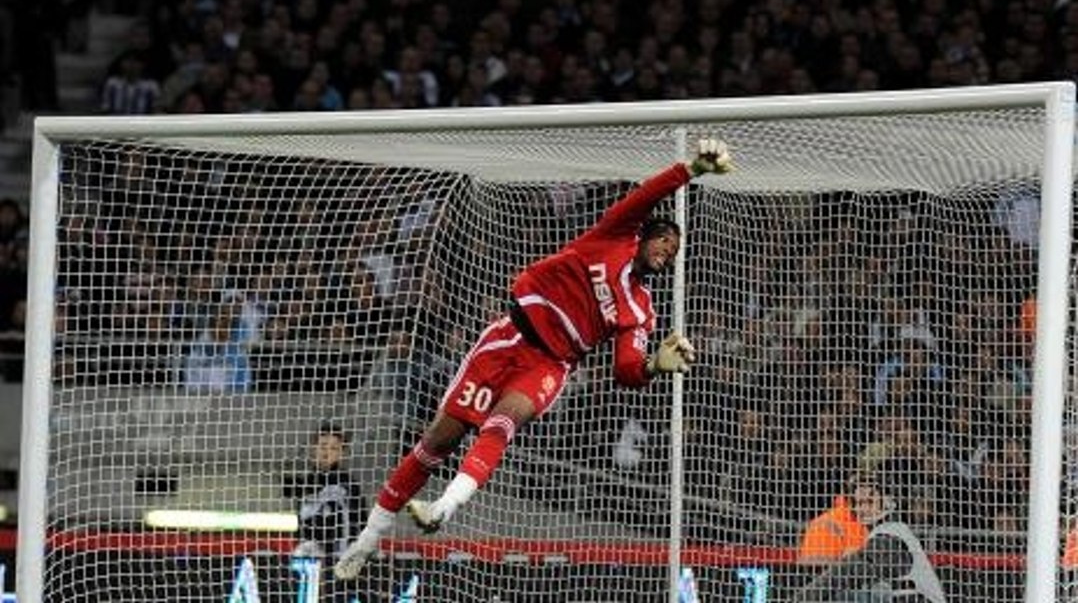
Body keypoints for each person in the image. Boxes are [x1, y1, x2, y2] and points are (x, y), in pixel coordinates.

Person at [333, 138, 733, 579]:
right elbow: (645, 196)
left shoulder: (641, 310)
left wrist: (656, 365)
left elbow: (625, 371)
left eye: (674, 251)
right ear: (642, 237)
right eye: (662, 240)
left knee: (503, 421)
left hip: (549, 365)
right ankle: (369, 537)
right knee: (437, 442)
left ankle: (445, 507)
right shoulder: (612, 237)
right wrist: (690, 169)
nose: (666, 251)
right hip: (507, 339)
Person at [794, 472, 947, 602]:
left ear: (886, 501)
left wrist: (802, 598)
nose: (863, 508)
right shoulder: (879, 532)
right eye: (858, 503)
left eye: (869, 501)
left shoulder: (892, 532)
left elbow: (850, 571)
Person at [284, 421, 366, 563]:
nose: (326, 452)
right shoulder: (306, 482)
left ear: (341, 453)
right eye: (322, 446)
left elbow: (361, 521)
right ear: (313, 448)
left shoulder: (348, 485)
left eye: (333, 448)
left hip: (341, 554)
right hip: (310, 555)